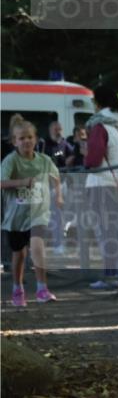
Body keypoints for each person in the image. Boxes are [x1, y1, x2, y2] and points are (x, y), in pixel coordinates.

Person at [1, 115, 62, 306]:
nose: (26, 141)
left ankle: (42, 289)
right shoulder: (11, 161)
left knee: (37, 246)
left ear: (35, 139)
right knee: (19, 254)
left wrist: (59, 195)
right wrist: (22, 182)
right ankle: (17, 289)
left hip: (38, 214)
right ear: (14, 141)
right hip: (16, 217)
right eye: (22, 138)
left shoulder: (44, 160)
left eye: (29, 137)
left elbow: (56, 177)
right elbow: (1, 182)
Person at [84, 85, 118, 289]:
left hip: (98, 184)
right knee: (115, 231)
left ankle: (111, 276)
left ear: (97, 103)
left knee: (105, 232)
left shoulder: (99, 127)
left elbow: (93, 159)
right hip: (116, 183)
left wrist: (84, 156)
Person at [41, 120, 75, 254]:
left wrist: (69, 160)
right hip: (47, 185)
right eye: (56, 129)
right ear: (50, 130)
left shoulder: (64, 143)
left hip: (62, 184)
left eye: (60, 129)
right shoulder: (44, 143)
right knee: (49, 216)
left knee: (59, 215)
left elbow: (73, 153)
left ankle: (58, 244)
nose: (58, 132)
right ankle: (50, 244)